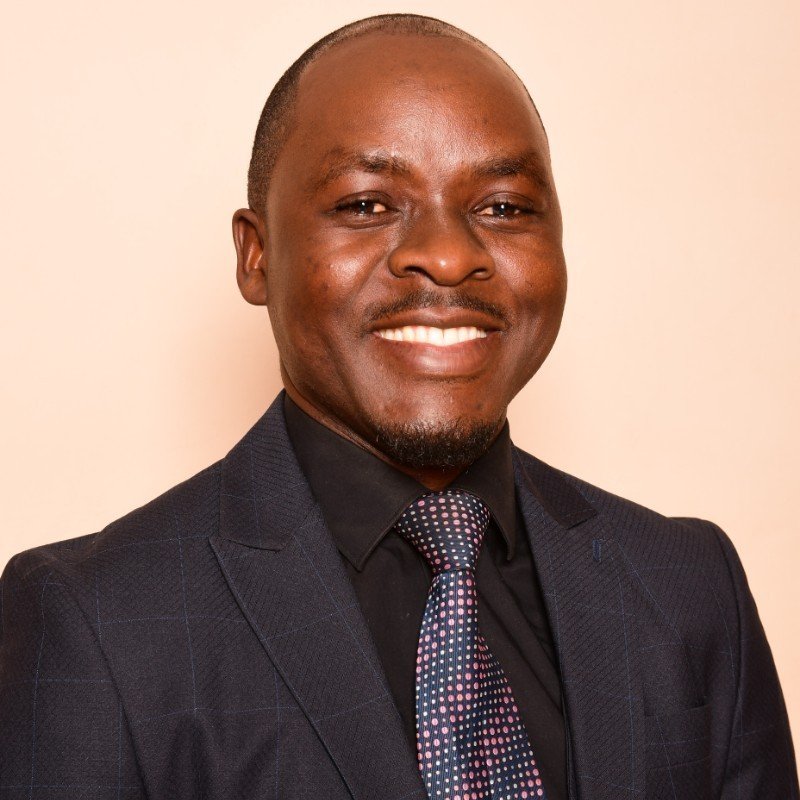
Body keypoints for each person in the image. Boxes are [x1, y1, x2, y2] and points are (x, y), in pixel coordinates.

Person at [0, 12, 796, 799]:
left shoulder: (688, 588)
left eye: (504, 207)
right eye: (366, 205)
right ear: (257, 255)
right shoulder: (97, 623)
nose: (447, 257)